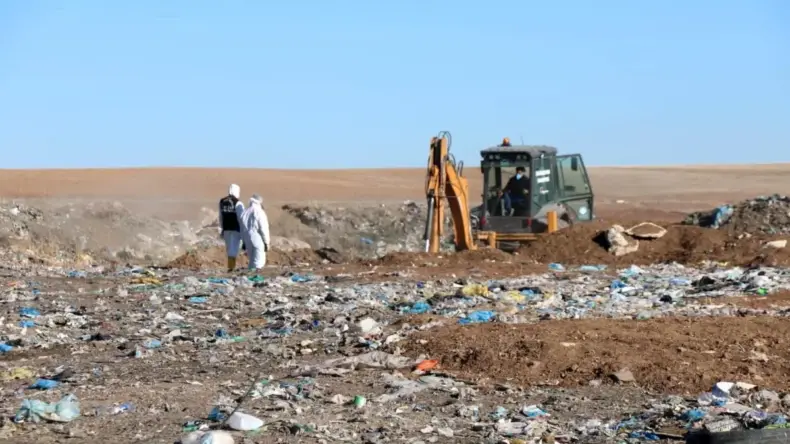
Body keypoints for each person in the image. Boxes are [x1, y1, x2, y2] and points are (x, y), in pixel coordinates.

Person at [239, 193, 270, 270]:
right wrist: (266, 242)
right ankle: (256, 277)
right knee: (259, 260)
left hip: (247, 238)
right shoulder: (259, 212)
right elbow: (263, 228)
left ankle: (250, 276)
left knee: (252, 259)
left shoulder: (245, 212)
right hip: (257, 237)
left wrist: (243, 241)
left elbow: (242, 228)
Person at [218, 184, 245, 271]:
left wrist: (222, 228)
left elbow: (220, 216)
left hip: (226, 228)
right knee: (235, 249)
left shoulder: (222, 201)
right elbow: (241, 218)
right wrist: (243, 230)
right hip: (236, 229)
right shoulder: (238, 202)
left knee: (229, 248)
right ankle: (231, 267)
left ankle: (231, 266)